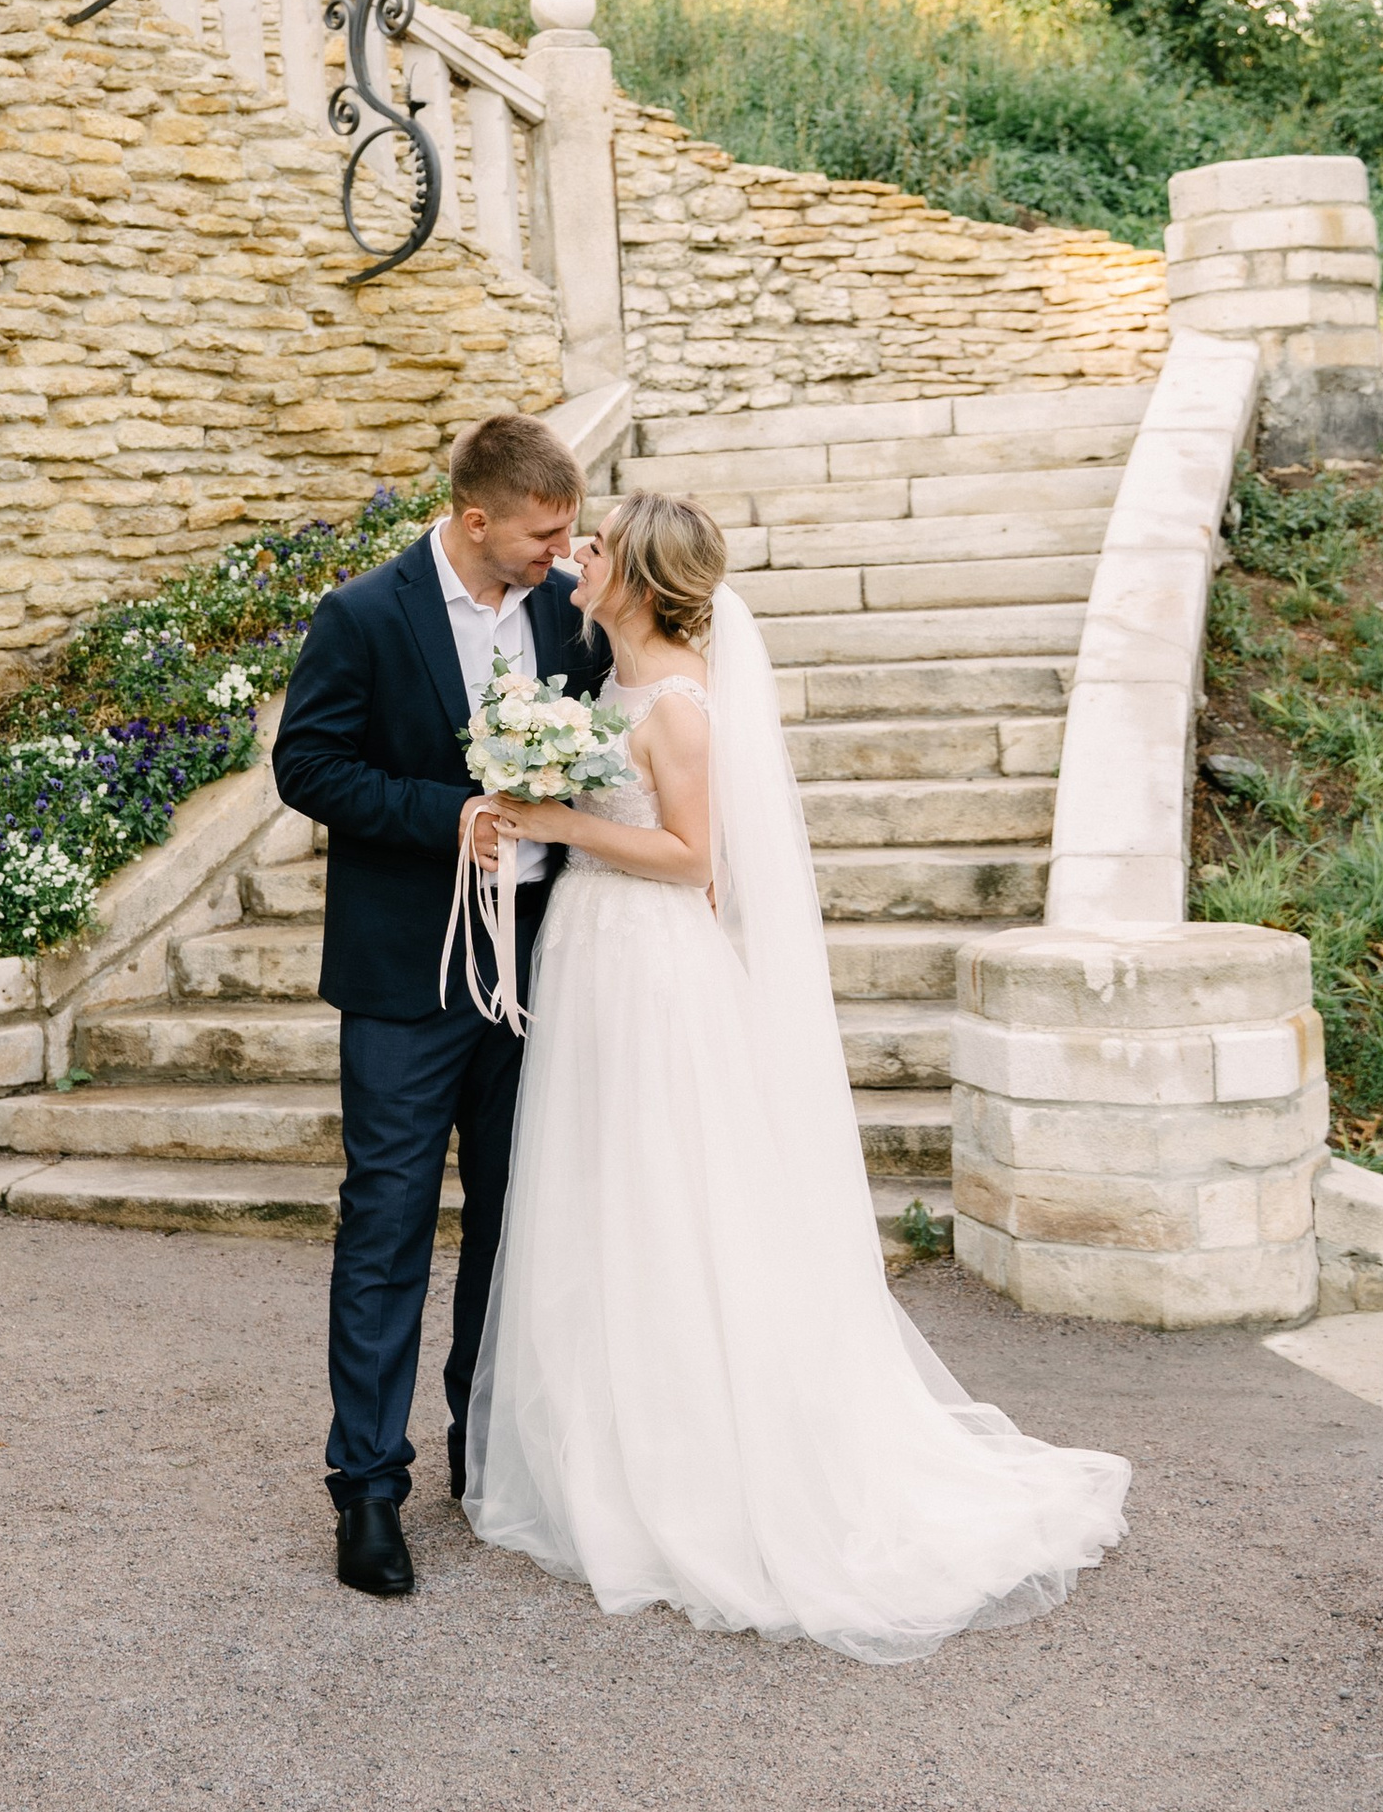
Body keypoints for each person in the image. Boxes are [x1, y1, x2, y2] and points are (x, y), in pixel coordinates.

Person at [460, 491, 1131, 1666]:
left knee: (670, 1198)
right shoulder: (607, 685)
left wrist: (555, 819)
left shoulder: (677, 705)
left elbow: (690, 859)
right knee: (605, 1198)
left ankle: (700, 1467)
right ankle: (606, 1447)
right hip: (593, 956)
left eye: (597, 547)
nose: (577, 557)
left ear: (640, 577)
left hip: (649, 966)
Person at [272, 414, 612, 1599]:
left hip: (542, 963)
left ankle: (487, 1449)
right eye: (543, 534)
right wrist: (444, 813)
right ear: (475, 519)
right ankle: (367, 1488)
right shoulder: (365, 613)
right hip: (407, 975)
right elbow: (307, 767)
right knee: (387, 1224)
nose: (561, 553)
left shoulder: (566, 613)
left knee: (517, 1217)